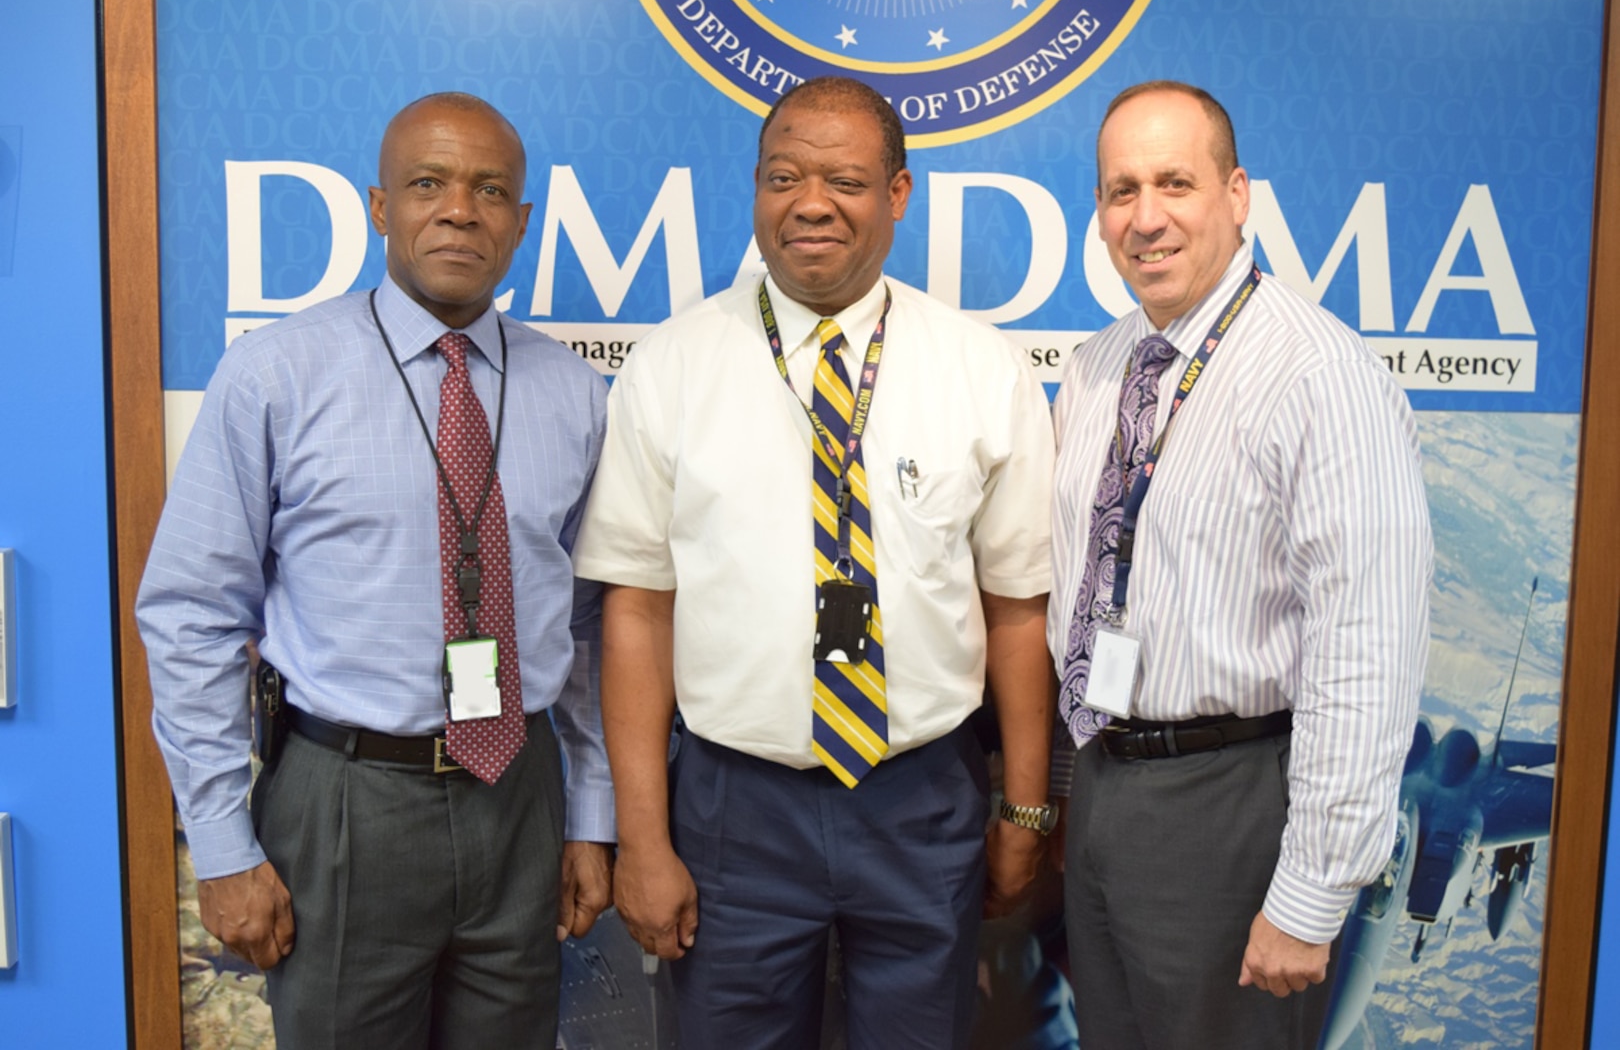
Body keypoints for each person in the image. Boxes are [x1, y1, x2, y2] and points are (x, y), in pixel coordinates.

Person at [571, 75, 1057, 1049]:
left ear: (898, 194)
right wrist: (645, 836)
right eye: (784, 176)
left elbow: (1016, 607)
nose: (811, 203)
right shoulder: (675, 364)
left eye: (844, 179)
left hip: (922, 800)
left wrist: (1027, 808)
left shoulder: (979, 367)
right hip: (733, 808)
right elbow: (636, 610)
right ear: (755, 186)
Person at [136, 91, 614, 1049]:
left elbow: (592, 626)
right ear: (377, 205)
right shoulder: (276, 373)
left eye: (490, 191)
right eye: (427, 184)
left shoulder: (576, 393)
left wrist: (591, 814)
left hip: (518, 794)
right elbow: (192, 613)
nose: (458, 210)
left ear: (521, 223)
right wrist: (223, 845)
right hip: (346, 799)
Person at [1049, 79, 1432, 1049]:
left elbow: (1367, 645)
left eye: (1174, 182)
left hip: (1232, 800)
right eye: (1120, 190)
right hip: (1103, 787)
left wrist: (1312, 889)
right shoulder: (1098, 369)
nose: (1145, 218)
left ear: (1237, 194)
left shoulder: (1320, 377)